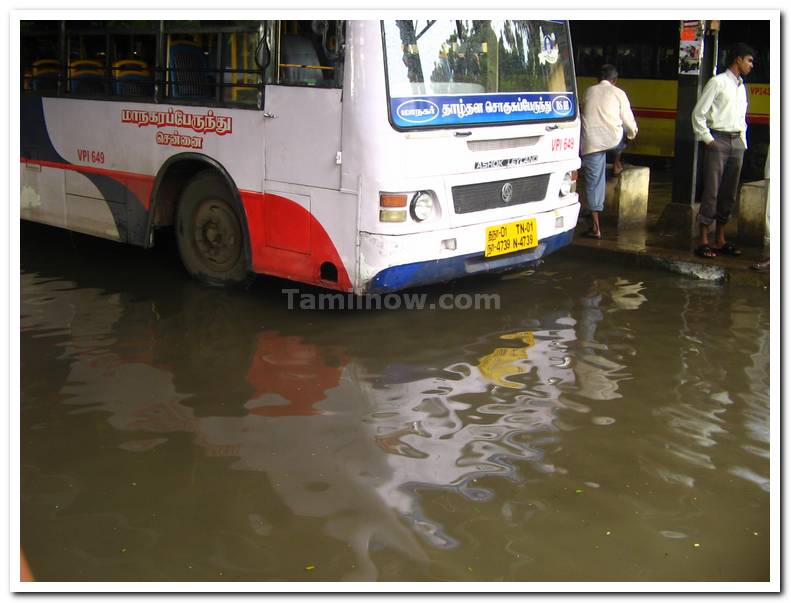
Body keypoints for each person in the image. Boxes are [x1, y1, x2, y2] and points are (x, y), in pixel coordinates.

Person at [691, 42, 754, 259]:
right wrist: (709, 140)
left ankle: (720, 239)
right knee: (712, 190)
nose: (751, 65)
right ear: (738, 59)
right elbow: (698, 114)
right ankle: (704, 240)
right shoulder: (717, 82)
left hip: (736, 142)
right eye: (749, 60)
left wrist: (742, 142)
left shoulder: (740, 86)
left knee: (729, 192)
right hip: (718, 139)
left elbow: (741, 118)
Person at [579, 64, 638, 239]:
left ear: (598, 79)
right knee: (626, 135)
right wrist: (632, 134)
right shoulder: (619, 93)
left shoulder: (589, 91)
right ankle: (617, 163)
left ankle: (596, 228)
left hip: (591, 143)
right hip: (614, 141)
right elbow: (629, 121)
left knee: (594, 183)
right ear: (615, 80)